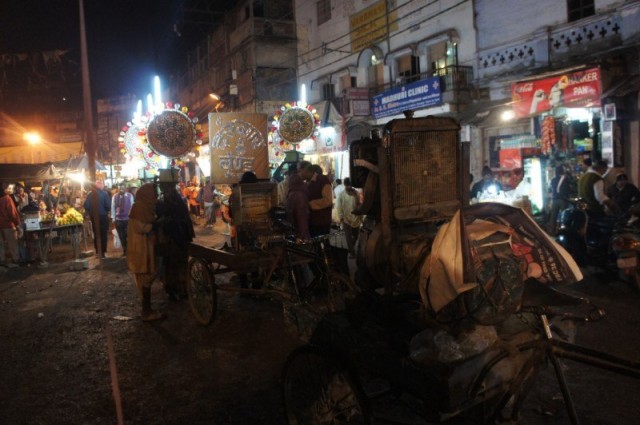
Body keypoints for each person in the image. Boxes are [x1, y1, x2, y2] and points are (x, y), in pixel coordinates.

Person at [126, 183, 165, 321]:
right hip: (140, 247)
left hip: (145, 246)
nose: (155, 197)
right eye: (153, 194)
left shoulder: (145, 207)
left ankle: (147, 310)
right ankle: (146, 311)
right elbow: (140, 227)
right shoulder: (139, 207)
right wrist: (156, 224)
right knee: (145, 277)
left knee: (147, 275)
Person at [156, 170, 196, 301]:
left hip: (175, 237)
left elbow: (172, 219)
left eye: (164, 185)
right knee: (176, 264)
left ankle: (176, 289)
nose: (163, 187)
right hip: (178, 236)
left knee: (174, 264)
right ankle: (178, 288)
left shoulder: (169, 199)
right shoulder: (174, 198)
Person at [298, 161, 332, 237]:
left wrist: (309, 204)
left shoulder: (323, 180)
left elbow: (328, 200)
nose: (299, 174)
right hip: (311, 222)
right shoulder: (306, 183)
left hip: (322, 222)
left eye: (300, 171)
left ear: (306, 170)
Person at [84, 180, 111, 258]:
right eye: (103, 184)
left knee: (96, 233)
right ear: (101, 185)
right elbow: (108, 206)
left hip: (94, 217)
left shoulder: (90, 194)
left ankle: (97, 252)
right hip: (103, 217)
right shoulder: (105, 194)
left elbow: (86, 206)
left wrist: (91, 211)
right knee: (103, 234)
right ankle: (103, 252)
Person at [336, 178, 363, 258]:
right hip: (346, 218)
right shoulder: (341, 195)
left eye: (350, 185)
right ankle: (352, 252)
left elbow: (359, 204)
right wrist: (341, 217)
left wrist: (361, 216)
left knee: (356, 235)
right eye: (348, 185)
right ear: (345, 185)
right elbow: (339, 207)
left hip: (356, 218)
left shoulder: (356, 193)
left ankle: (351, 247)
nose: (349, 187)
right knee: (348, 236)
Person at [0, 183, 22, 268]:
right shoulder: (7, 199)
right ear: (4, 189)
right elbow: (12, 213)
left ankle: (2, 260)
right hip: (8, 225)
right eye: (8, 188)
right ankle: (16, 259)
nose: (10, 189)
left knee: (0, 244)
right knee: (12, 243)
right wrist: (17, 224)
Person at [547, 165, 573, 235]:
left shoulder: (552, 179)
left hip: (554, 200)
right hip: (563, 199)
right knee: (565, 216)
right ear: (562, 171)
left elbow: (549, 190)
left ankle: (551, 231)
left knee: (553, 216)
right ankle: (564, 232)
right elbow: (570, 188)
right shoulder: (566, 178)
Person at [286, 168, 310, 240]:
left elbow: (301, 216)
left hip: (298, 232)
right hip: (298, 231)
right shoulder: (298, 193)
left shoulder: (295, 194)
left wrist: (303, 236)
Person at [111, 184, 134, 256]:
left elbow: (132, 207)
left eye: (123, 188)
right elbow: (113, 208)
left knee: (129, 236)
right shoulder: (115, 197)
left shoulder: (130, 196)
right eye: (120, 188)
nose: (121, 189)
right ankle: (125, 251)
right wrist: (113, 219)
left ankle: (131, 251)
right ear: (118, 189)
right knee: (122, 237)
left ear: (125, 188)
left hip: (128, 219)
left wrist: (132, 219)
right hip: (119, 220)